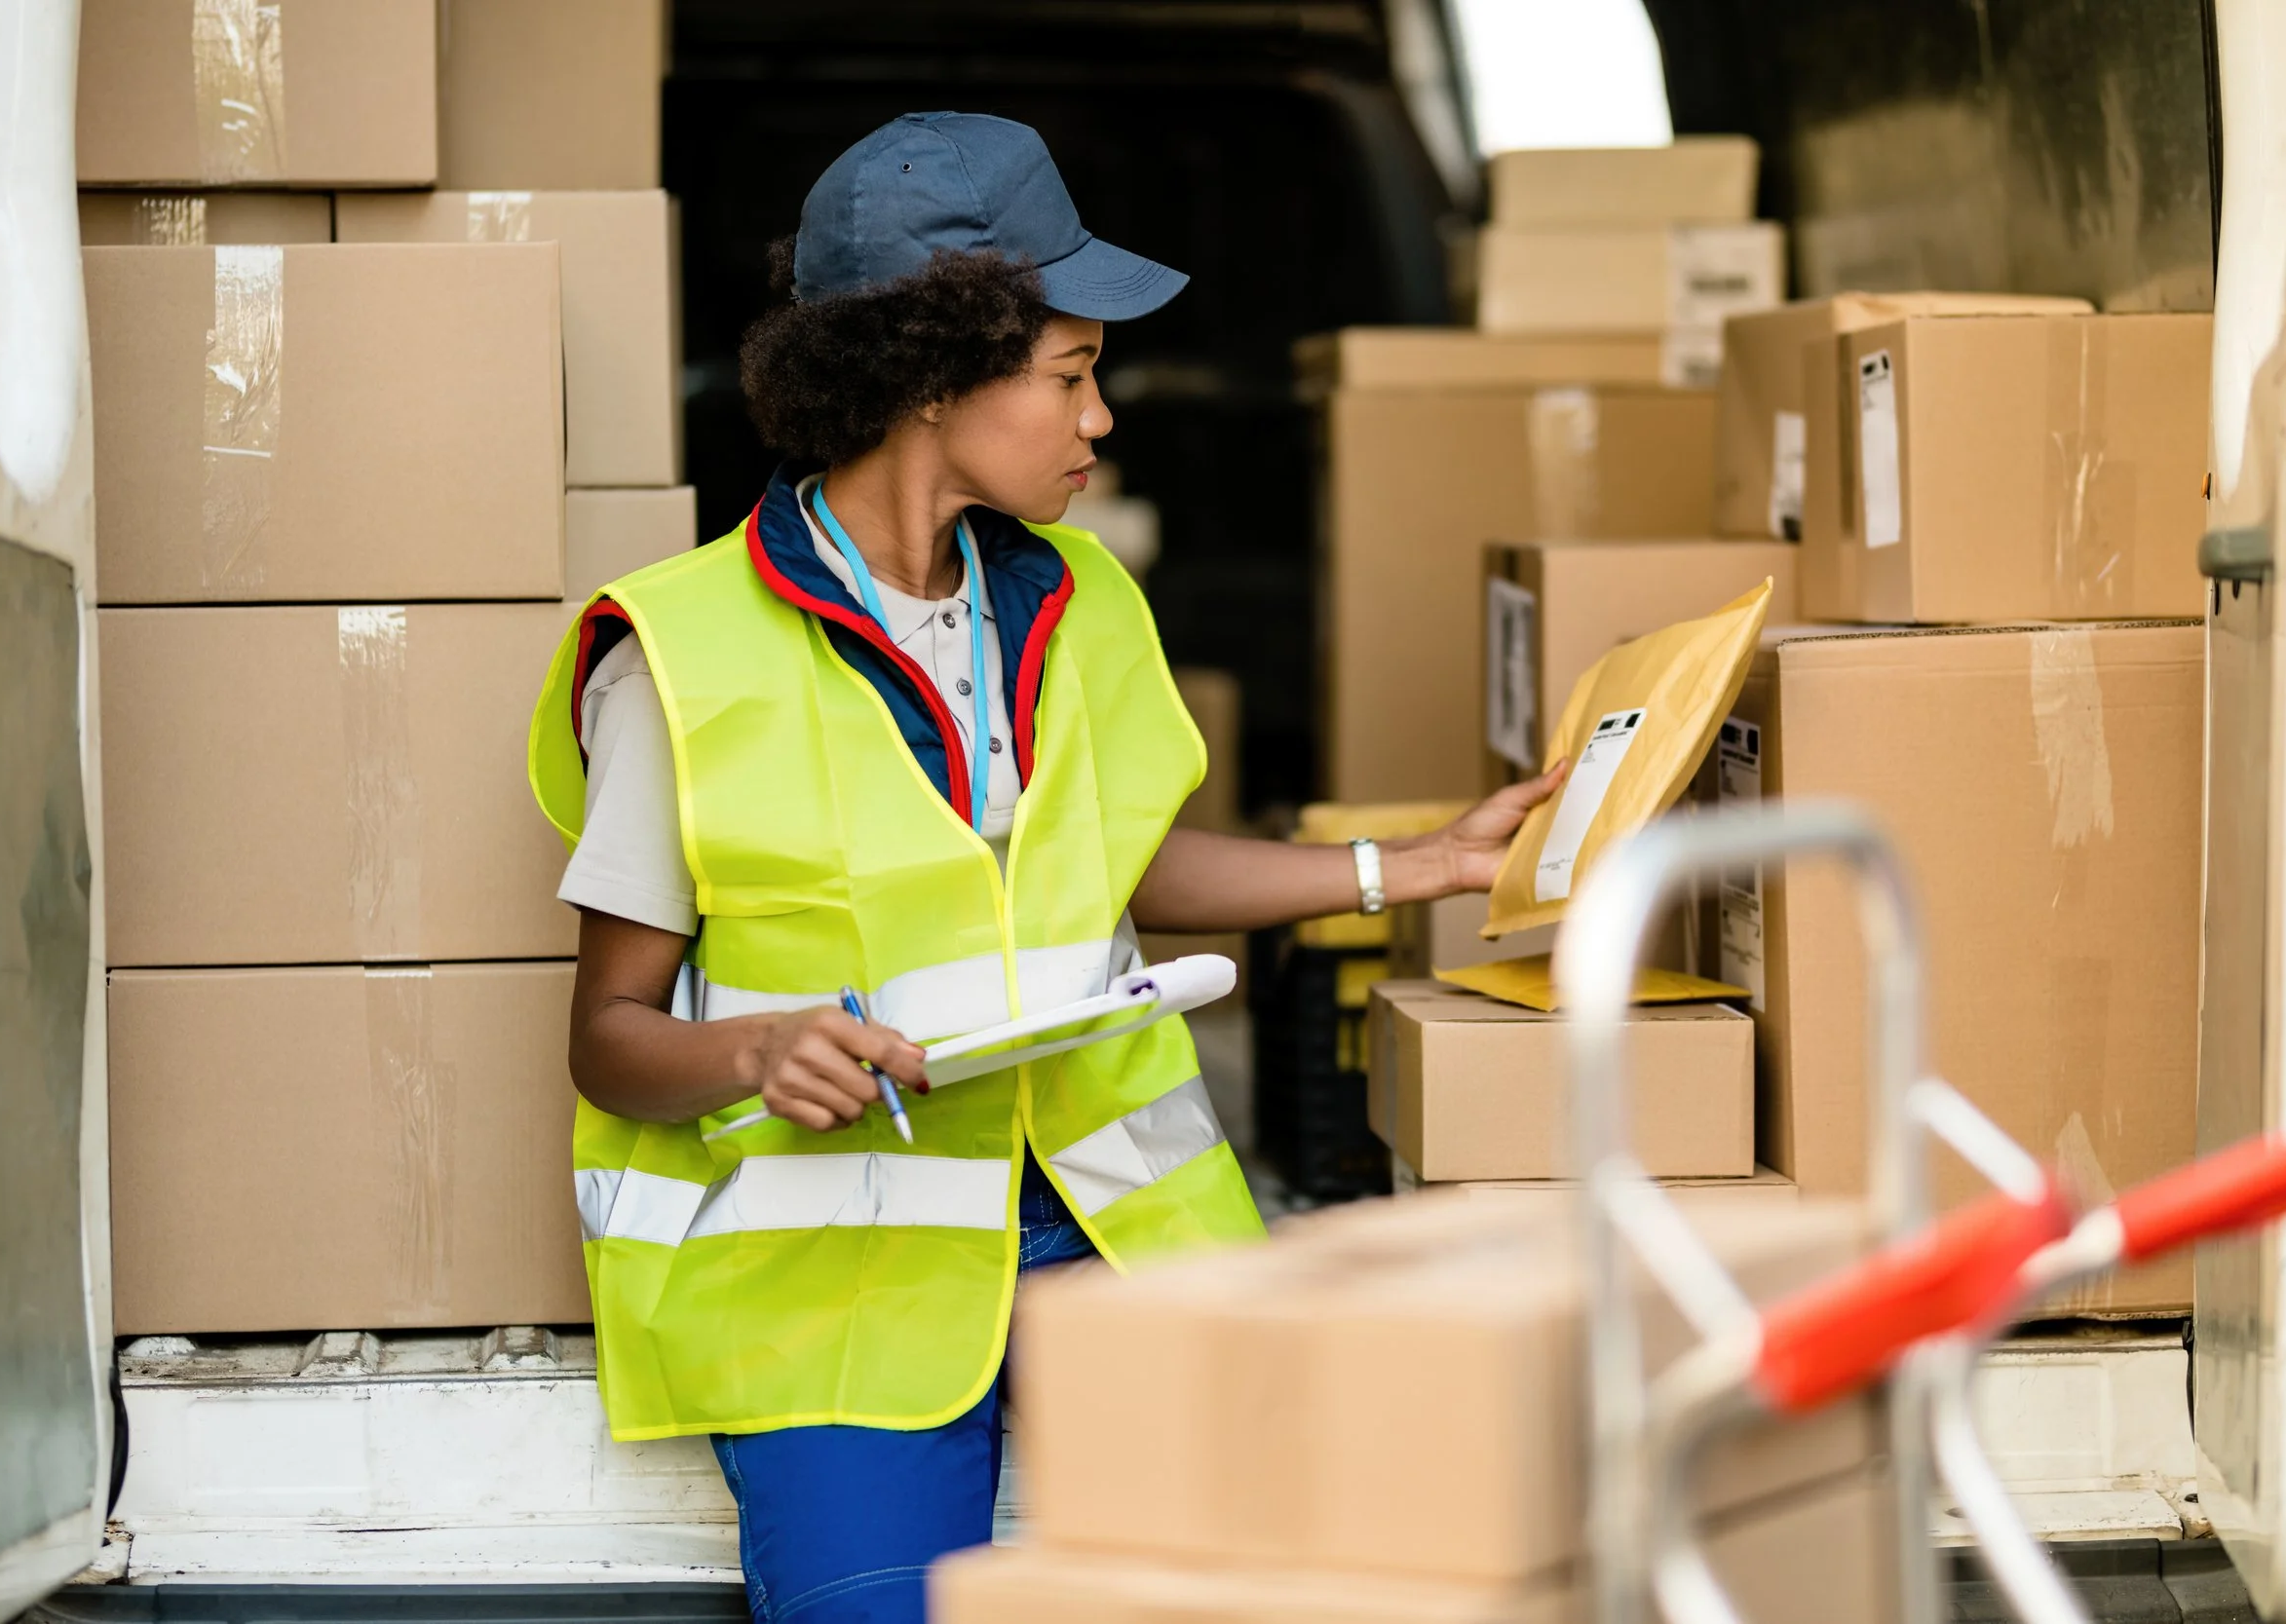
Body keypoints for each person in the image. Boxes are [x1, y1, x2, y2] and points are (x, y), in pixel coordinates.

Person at [526, 111, 1567, 1624]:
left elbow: (1117, 874)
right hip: (843, 1289)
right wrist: (762, 1044)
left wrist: (1409, 866)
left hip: (1108, 1227)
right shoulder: (678, 660)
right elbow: (611, 1039)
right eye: (1072, 374)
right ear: (930, 378)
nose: (1101, 419)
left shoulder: (1078, 598)